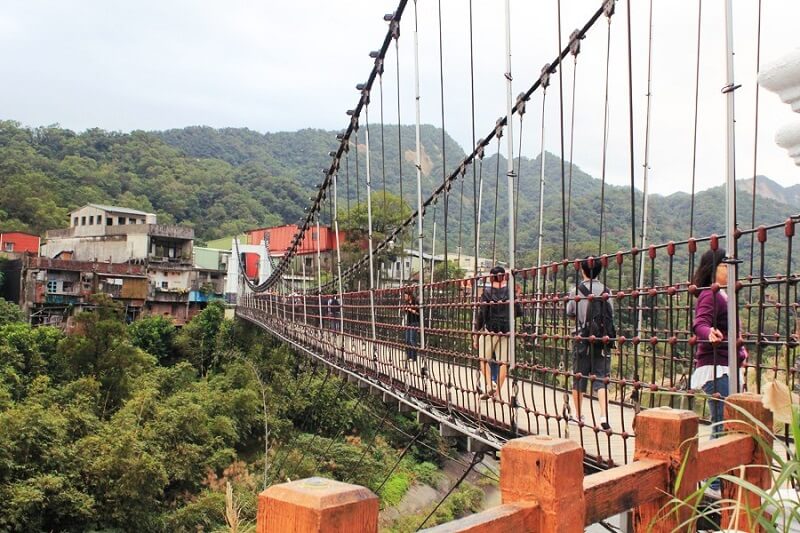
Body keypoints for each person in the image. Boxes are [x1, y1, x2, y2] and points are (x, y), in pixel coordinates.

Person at [691, 247, 748, 496]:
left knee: (723, 423)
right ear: (715, 267)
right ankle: (713, 482)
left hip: (724, 367)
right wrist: (708, 333)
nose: (730, 268)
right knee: (723, 423)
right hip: (716, 369)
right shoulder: (711, 294)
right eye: (726, 264)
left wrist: (741, 355)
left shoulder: (722, 295)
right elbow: (700, 323)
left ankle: (716, 480)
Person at [566, 257, 614, 431]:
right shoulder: (607, 291)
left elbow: (570, 312)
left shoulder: (576, 291)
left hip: (581, 339)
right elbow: (611, 316)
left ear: (582, 270)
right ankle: (603, 416)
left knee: (579, 378)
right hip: (602, 340)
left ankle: (578, 416)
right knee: (601, 378)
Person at [472, 266, 522, 400]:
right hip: (506, 331)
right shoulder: (510, 292)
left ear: (490, 277)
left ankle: (490, 386)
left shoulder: (487, 292)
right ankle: (497, 394)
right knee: (503, 363)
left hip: (491, 330)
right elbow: (519, 312)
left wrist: (476, 333)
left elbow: (482, 314)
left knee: (482, 359)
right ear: (504, 277)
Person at [402, 289, 420, 361]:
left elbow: (418, 313)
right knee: (407, 340)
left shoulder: (415, 302)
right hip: (408, 322)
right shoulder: (407, 303)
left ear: (409, 296)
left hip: (414, 322)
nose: (405, 297)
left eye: (406, 296)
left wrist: (410, 310)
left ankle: (413, 357)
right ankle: (408, 356)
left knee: (412, 340)